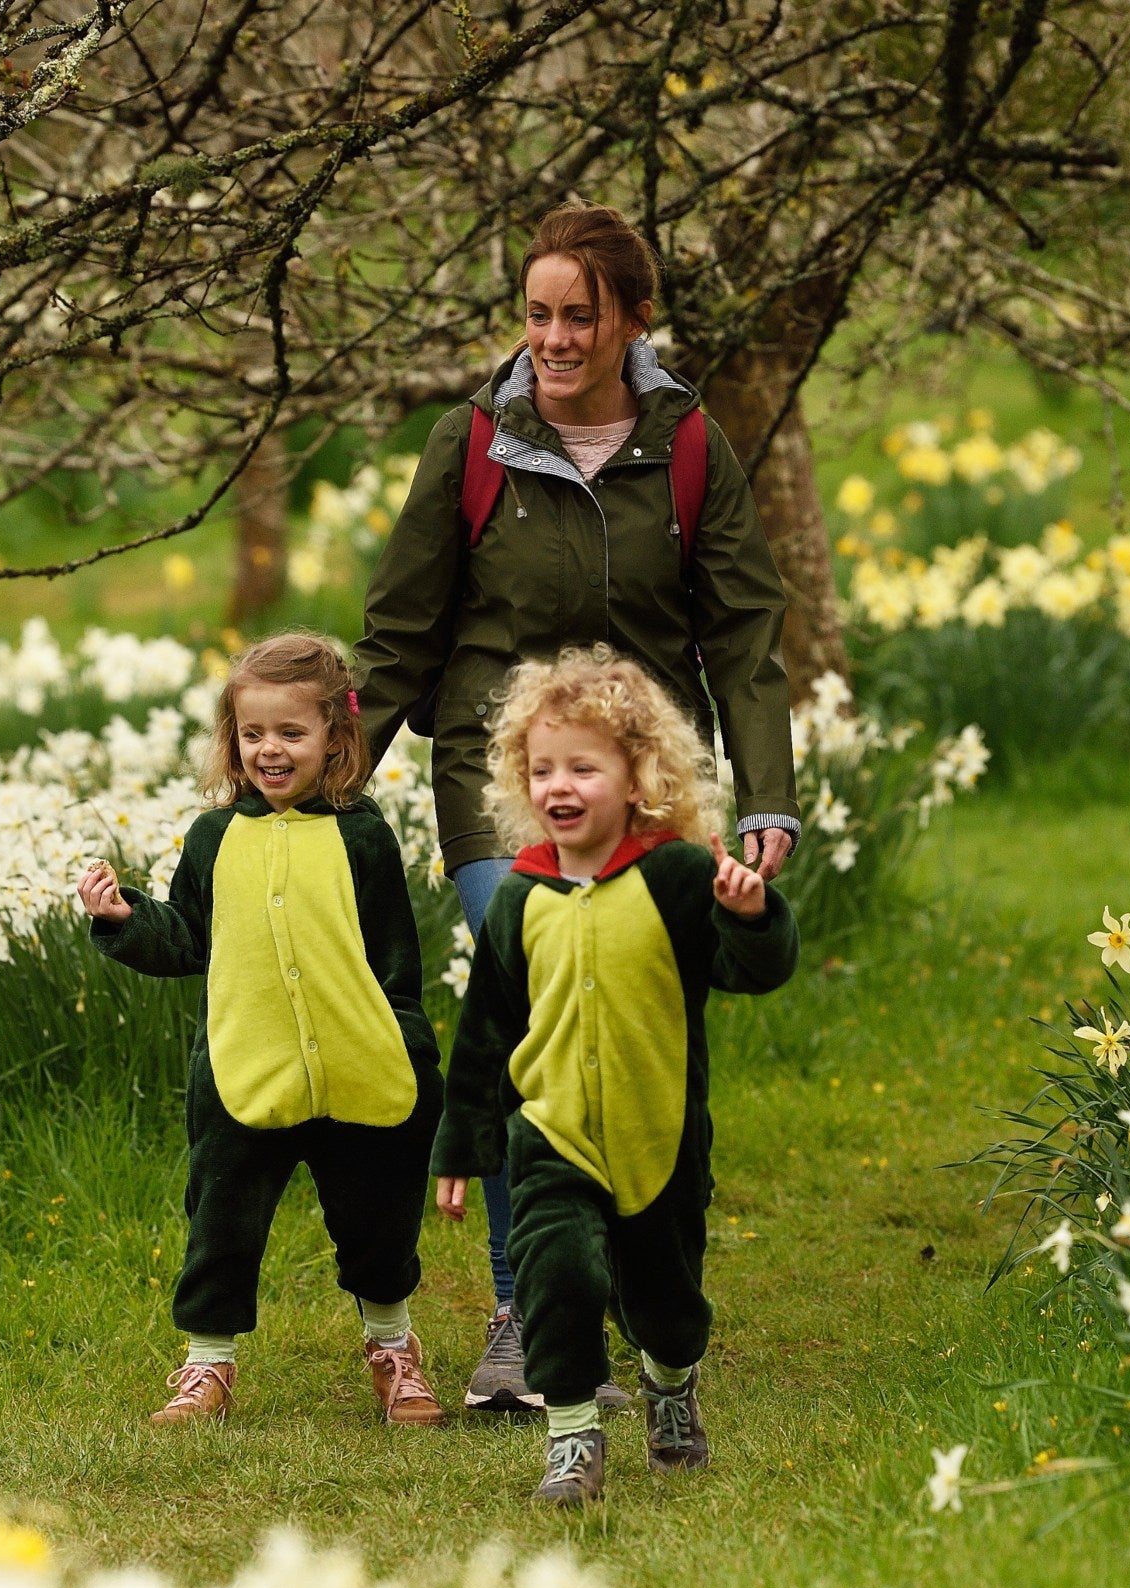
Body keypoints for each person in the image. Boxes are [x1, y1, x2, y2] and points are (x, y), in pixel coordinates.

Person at [354, 202, 800, 1411]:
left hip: (646, 789)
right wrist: (316, 785)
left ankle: (645, 1284)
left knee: (638, 1031)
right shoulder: (473, 443)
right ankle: (521, 1308)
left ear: (632, 323)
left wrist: (768, 798)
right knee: (537, 1005)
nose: (553, 338)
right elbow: (401, 630)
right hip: (504, 788)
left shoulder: (692, 445)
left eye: (579, 316)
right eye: (538, 314)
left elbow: (746, 635)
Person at [430, 648, 799, 1504]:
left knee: (664, 1303)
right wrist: (462, 1143)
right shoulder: (518, 899)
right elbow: (486, 1032)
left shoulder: (675, 876)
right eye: (542, 768)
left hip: (659, 1133)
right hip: (551, 1133)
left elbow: (756, 970)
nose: (559, 785)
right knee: (557, 1274)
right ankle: (571, 1439)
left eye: (584, 767)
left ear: (639, 777)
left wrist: (752, 914)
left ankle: (672, 1388)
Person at [80, 630, 450, 1428]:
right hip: (244, 1069)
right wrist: (124, 917)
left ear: (336, 738)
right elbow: (187, 938)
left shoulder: (364, 838)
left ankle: (394, 1351)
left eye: (292, 733)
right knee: (221, 1217)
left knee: (377, 1220)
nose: (270, 751)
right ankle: (207, 1364)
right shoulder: (214, 839)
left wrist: (410, 1050)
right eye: (253, 735)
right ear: (232, 740)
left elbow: (394, 961)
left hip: (361, 1067)